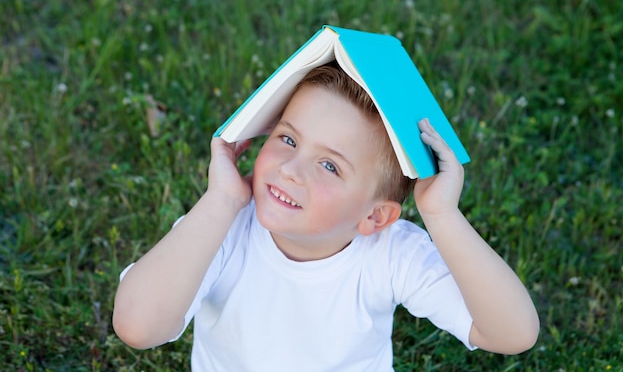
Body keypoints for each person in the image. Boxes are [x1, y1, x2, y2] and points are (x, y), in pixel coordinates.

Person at [112, 62, 539, 371]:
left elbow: (512, 333)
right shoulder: (221, 230)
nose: (290, 169)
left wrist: (442, 215)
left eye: (330, 165)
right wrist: (220, 201)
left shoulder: (390, 253)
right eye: (288, 138)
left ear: (375, 217)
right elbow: (137, 326)